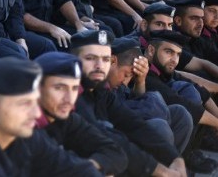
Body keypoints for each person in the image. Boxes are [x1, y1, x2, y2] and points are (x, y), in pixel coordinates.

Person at [0, 58, 103, 176]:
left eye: (35, 102)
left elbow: (78, 169)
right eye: (25, 103)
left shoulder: (21, 134)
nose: (36, 113)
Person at [71, 30, 187, 176]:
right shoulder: (71, 93)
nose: (100, 66)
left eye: (105, 59)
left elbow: (133, 123)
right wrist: (159, 170)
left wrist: (175, 157)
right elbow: (105, 136)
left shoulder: (99, 90)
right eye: (90, 58)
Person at [35, 52, 128, 176]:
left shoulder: (67, 118)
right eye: (59, 88)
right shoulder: (25, 127)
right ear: (37, 89)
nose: (68, 99)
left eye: (74, 88)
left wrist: (92, 167)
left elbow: (116, 153)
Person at [144, 30, 218, 173]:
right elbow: (178, 101)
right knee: (182, 110)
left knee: (191, 90)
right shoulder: (144, 71)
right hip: (140, 133)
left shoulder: (163, 69)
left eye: (177, 54)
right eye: (168, 52)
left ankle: (183, 161)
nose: (174, 59)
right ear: (151, 50)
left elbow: (200, 90)